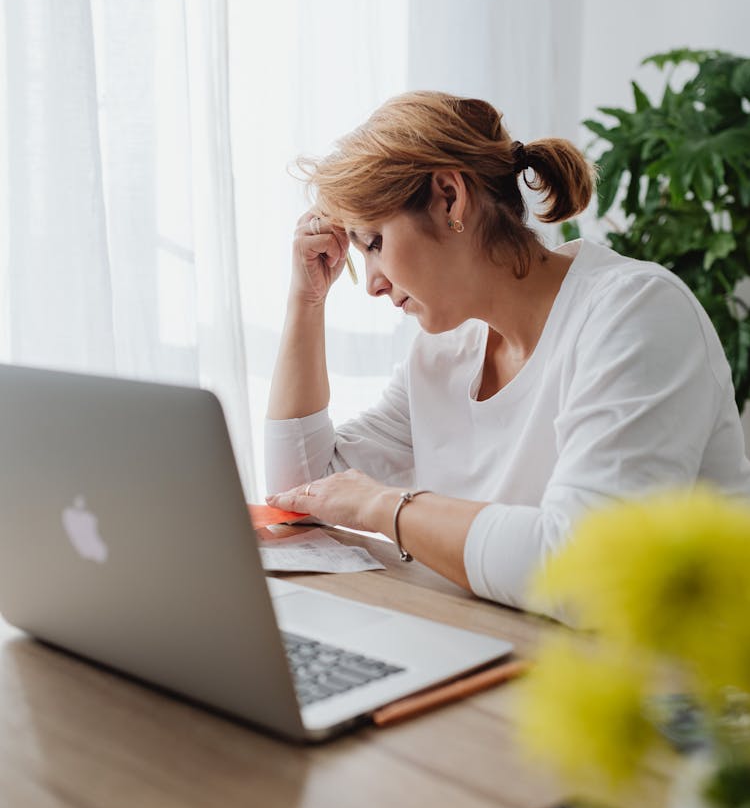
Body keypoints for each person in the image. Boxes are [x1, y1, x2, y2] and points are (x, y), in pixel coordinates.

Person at [264, 91, 750, 616]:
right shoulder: (443, 352)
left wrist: (384, 507)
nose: (373, 285)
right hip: (511, 656)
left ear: (449, 197)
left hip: (672, 683)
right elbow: (301, 491)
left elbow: (588, 571)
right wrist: (306, 300)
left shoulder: (637, 312)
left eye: (375, 241)